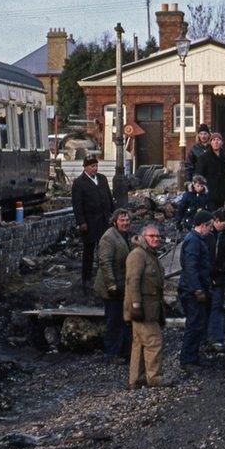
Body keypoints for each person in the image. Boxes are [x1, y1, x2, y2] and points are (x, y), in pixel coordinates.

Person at [124, 224, 171, 388]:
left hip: (150, 307)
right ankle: (154, 377)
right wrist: (136, 305)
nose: (156, 239)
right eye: (152, 236)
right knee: (154, 341)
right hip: (144, 308)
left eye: (158, 236)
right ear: (144, 237)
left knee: (139, 343)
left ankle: (135, 379)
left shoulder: (149, 255)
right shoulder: (138, 255)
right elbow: (132, 281)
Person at [94, 208, 133, 362]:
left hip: (122, 284)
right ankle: (111, 353)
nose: (126, 223)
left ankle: (124, 349)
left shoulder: (124, 236)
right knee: (114, 319)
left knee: (123, 319)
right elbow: (105, 262)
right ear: (115, 221)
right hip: (111, 286)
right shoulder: (109, 237)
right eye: (122, 220)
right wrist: (111, 286)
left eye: (127, 220)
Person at [178, 209, 214, 369]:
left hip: (193, 288)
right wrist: (197, 289)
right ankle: (187, 359)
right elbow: (191, 268)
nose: (211, 229)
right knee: (194, 325)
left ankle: (192, 356)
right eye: (210, 226)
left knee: (197, 323)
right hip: (191, 291)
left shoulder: (196, 239)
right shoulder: (194, 241)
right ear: (203, 225)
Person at [72, 155, 114, 290]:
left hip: (104, 220)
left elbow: (109, 197)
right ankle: (86, 279)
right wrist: (81, 222)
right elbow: (77, 204)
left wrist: (113, 215)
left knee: (105, 251)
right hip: (90, 222)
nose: (95, 168)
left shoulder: (102, 178)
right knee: (89, 251)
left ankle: (105, 278)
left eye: (96, 166)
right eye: (92, 166)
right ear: (85, 167)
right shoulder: (79, 183)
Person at [205, 208, 225, 352]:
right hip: (207, 276)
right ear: (216, 221)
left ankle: (216, 338)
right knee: (206, 307)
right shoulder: (207, 234)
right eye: (224, 224)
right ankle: (207, 337)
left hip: (219, 276)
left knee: (217, 306)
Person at [195, 132, 225, 209]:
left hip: (221, 194)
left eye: (218, 140)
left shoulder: (224, 158)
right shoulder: (204, 158)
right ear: (211, 142)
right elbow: (199, 176)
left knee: (219, 217)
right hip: (209, 194)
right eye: (213, 140)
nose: (216, 142)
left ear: (222, 142)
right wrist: (200, 191)